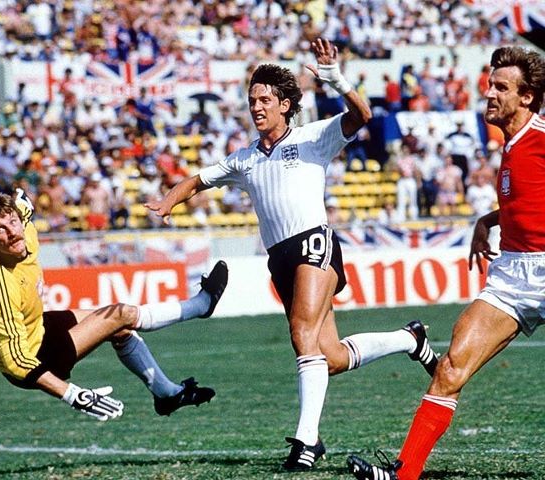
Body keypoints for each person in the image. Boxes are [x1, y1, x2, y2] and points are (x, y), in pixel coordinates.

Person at [145, 38, 438, 471]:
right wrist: (170, 199)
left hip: (313, 242)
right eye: (252, 100)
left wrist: (336, 79)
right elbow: (198, 181)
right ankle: (409, 339)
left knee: (302, 334)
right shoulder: (245, 159)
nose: (257, 107)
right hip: (280, 257)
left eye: (265, 99)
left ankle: (306, 441)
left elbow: (362, 115)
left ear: (285, 104)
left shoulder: (312, 137)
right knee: (330, 356)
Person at [348, 45, 545, 480]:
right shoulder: (511, 145)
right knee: (451, 368)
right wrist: (487, 219)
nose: (488, 93)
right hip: (512, 274)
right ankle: (404, 476)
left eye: (501, 87)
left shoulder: (541, 137)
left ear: (527, 97)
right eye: (489, 84)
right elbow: (528, 201)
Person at [0, 190, 229, 421]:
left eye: (13, 222)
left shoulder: (25, 232)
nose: (12, 232)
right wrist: (72, 394)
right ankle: (201, 305)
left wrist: (21, 200)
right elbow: (15, 361)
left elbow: (23, 208)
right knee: (120, 314)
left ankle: (167, 395)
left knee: (121, 329)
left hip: (38, 327)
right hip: (33, 359)